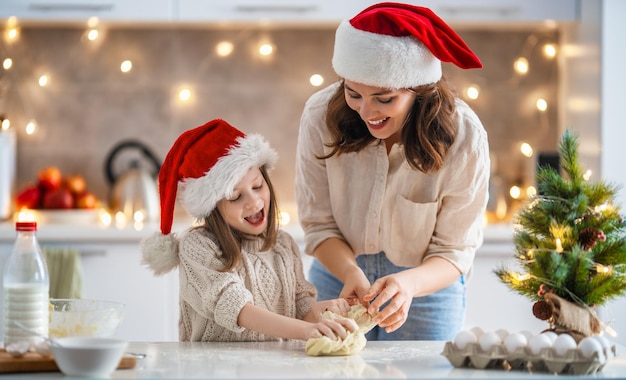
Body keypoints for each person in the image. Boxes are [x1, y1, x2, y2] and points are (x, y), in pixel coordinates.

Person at [295, 2, 490, 341]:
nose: (366, 111)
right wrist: (350, 271)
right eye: (353, 93)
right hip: (336, 276)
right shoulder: (319, 116)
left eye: (384, 99)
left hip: (427, 290)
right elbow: (319, 223)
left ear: (420, 90)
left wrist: (407, 284)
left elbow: (453, 251)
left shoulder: (464, 137)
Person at [141, 118, 357, 342]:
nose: (254, 202)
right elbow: (237, 308)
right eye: (235, 197)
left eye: (257, 186)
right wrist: (304, 331)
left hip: (275, 366)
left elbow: (300, 306)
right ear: (214, 208)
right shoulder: (198, 247)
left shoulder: (283, 244)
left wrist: (322, 313)